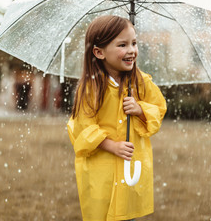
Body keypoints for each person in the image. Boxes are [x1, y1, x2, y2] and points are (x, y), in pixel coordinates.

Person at [67, 15, 167, 221]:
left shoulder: (141, 82)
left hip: (130, 168)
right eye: (122, 45)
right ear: (99, 52)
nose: (131, 50)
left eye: (134, 43)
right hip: (101, 170)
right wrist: (111, 146)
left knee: (126, 213)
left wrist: (140, 110)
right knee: (104, 213)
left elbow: (159, 108)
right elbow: (82, 128)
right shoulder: (90, 88)